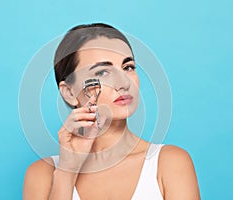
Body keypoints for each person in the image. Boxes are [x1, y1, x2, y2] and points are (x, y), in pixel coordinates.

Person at [23, 23, 201, 200]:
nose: (124, 83)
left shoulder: (170, 163)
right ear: (70, 93)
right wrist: (67, 172)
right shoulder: (42, 175)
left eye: (128, 67)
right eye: (102, 72)